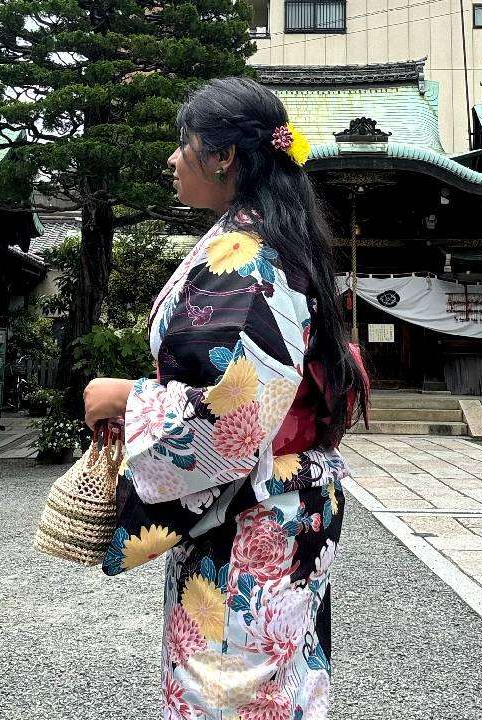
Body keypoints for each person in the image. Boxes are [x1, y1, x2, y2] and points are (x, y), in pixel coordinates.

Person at [83, 76, 369, 720]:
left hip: (250, 514)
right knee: (281, 673)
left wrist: (126, 400)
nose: (172, 159)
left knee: (232, 688)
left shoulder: (246, 256)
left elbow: (231, 419)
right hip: (287, 500)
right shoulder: (277, 240)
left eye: (183, 145)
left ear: (223, 157)